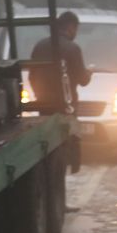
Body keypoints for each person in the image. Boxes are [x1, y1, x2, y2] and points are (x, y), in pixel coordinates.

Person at [31, 11, 91, 193]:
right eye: (76, 29)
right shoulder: (73, 49)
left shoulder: (40, 45)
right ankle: (59, 198)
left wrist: (41, 96)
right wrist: (89, 73)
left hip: (44, 107)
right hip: (66, 109)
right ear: (71, 27)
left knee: (48, 151)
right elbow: (83, 80)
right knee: (63, 152)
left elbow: (33, 76)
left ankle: (50, 193)